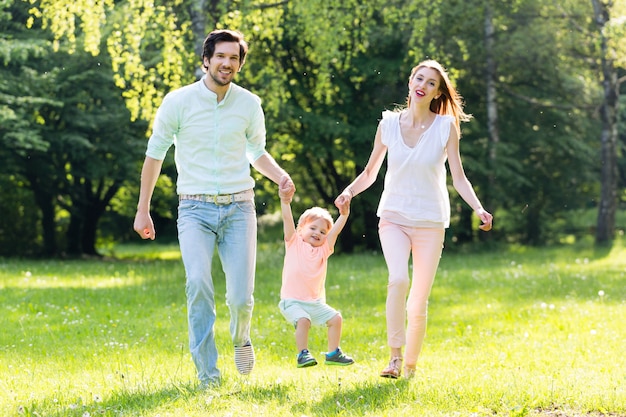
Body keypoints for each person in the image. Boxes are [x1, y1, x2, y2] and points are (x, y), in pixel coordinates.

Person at [133, 29, 295, 387]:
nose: (227, 63)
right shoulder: (178, 102)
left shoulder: (249, 104)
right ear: (206, 60)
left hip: (240, 208)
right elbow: (155, 154)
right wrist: (142, 209)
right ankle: (208, 375)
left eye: (234, 58)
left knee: (240, 297)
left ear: (239, 63)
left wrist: (280, 176)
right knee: (198, 284)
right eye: (220, 56)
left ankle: (241, 338)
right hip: (194, 209)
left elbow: (256, 151)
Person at [334, 59, 493, 380]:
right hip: (393, 216)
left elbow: (458, 177)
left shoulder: (446, 127)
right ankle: (394, 358)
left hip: (431, 221)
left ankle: (410, 365)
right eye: (419, 78)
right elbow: (369, 172)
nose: (423, 85)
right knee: (398, 280)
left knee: (418, 298)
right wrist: (348, 191)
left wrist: (478, 208)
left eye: (431, 82)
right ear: (410, 82)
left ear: (437, 92)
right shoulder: (388, 124)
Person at [277, 182, 355, 368]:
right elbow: (287, 219)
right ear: (300, 229)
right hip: (292, 301)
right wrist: (285, 201)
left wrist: (344, 215)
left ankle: (333, 353)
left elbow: (335, 231)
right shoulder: (294, 243)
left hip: (314, 303)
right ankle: (302, 354)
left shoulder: (323, 250)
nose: (317, 233)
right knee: (304, 321)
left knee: (336, 319)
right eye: (312, 228)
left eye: (322, 232)